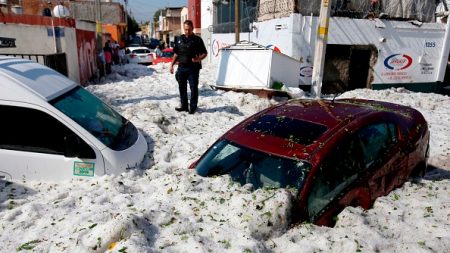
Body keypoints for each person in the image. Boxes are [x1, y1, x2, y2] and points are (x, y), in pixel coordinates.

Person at [170, 20, 207, 114]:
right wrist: (171, 65)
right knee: (182, 88)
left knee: (193, 88)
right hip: (181, 68)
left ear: (192, 28)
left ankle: (193, 107)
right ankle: (184, 106)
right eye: (185, 29)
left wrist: (198, 59)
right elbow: (176, 53)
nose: (187, 31)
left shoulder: (197, 40)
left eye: (189, 29)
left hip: (193, 69)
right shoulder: (179, 39)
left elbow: (204, 53)